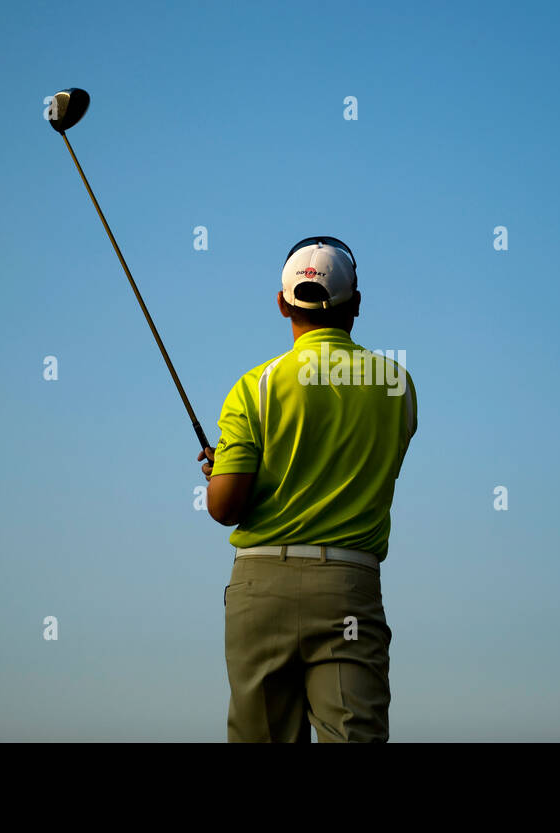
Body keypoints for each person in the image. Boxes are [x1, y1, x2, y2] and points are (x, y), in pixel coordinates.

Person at [196, 237, 417, 742]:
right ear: (356, 303)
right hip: (349, 585)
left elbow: (226, 507)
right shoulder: (397, 385)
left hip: (262, 588)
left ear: (282, 303)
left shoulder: (257, 385)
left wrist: (223, 473)